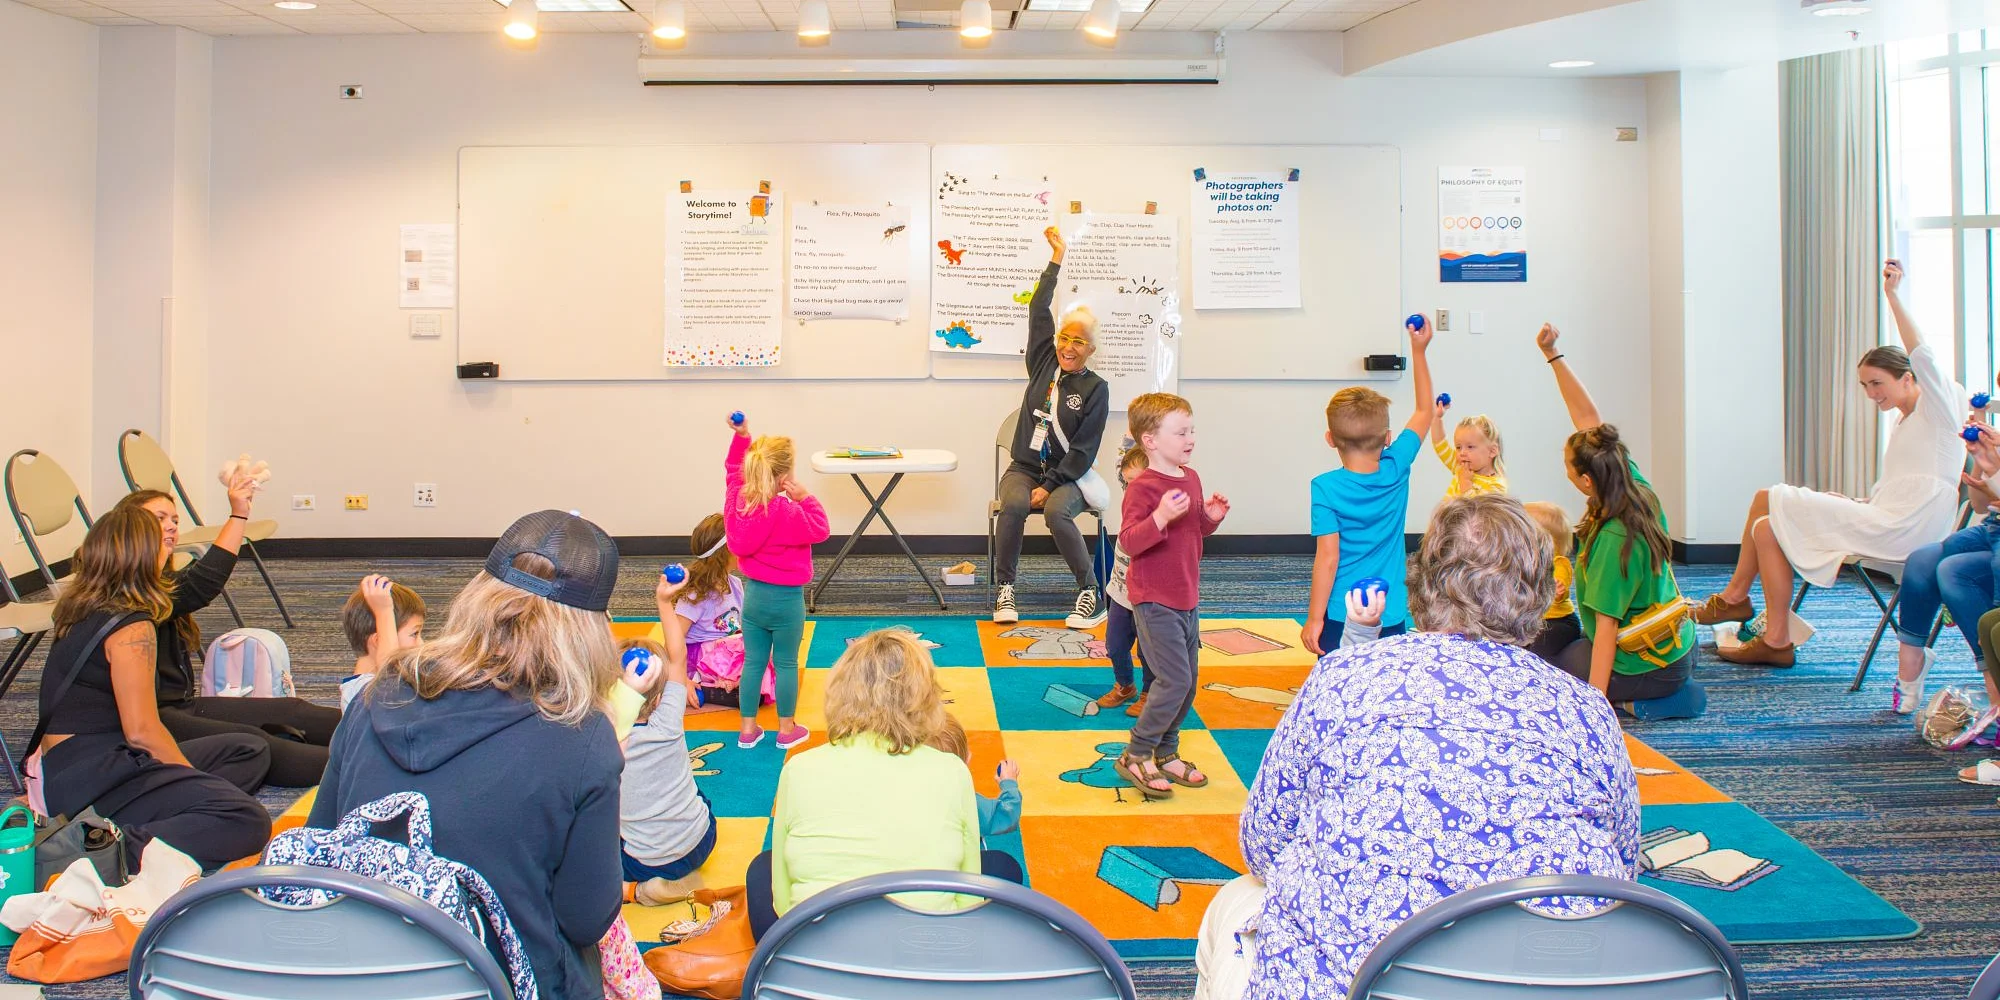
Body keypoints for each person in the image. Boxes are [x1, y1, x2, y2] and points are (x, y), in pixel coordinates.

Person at [1216, 493, 1640, 1000]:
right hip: (1548, 983)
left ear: (1420, 580)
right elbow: (1623, 867)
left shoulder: (1342, 676)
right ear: (1541, 593)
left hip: (1354, 982)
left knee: (1233, 906)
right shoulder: (1587, 710)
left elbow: (1264, 842)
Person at [311, 510, 625, 1000]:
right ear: (590, 630)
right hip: (499, 981)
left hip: (360, 969)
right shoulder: (582, 735)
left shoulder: (375, 696)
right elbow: (585, 918)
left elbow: (322, 842)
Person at [1695, 260, 1964, 668]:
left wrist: (1892, 296)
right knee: (1765, 528)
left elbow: (1921, 352)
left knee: (1768, 496)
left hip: (1908, 530)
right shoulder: (1903, 423)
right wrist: (1856, 503)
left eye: (1878, 383)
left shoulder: (1940, 409)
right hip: (1887, 517)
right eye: (1865, 386)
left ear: (1909, 378)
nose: (1871, 393)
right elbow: (1897, 487)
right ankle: (1776, 639)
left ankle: (1735, 599)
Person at [33, 505, 273, 871]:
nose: (170, 543)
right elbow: (142, 731)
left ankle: (160, 815)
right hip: (94, 775)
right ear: (143, 556)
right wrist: (188, 777)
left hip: (78, 764)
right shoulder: (132, 627)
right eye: (161, 540)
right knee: (247, 819)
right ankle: (100, 851)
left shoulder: (83, 606)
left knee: (248, 749)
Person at [743, 629, 985, 939]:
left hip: (817, 955)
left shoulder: (798, 768)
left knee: (762, 868)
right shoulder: (952, 770)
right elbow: (968, 900)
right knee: (1001, 867)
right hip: (925, 955)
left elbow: (783, 901)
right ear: (925, 697)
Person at [115, 487, 340, 787]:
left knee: (292, 711)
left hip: (180, 706)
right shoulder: (130, 594)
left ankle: (391, 737)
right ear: (129, 529)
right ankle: (364, 769)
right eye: (159, 518)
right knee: (256, 742)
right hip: (152, 720)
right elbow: (204, 581)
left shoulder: (158, 583)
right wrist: (238, 514)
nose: (171, 526)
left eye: (174, 520)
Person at [1536, 324, 1696, 704]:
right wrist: (1552, 354)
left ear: (1587, 481)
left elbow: (1606, 631)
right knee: (1564, 643)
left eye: (1567, 464)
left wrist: (1596, 705)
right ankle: (1667, 687)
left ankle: (1653, 700)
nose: (1565, 467)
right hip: (1673, 645)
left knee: (1544, 669)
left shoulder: (1614, 539)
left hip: (1646, 664)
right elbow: (1587, 417)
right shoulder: (1629, 482)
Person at [993, 226, 1113, 630]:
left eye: (1079, 342)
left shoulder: (1096, 389)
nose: (1068, 347)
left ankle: (1090, 592)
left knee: (1057, 511)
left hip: (1068, 476)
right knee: (1012, 504)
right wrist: (1056, 259)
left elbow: (1084, 450)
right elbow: (1038, 307)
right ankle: (1005, 588)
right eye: (1065, 337)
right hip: (1024, 468)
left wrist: (1051, 484)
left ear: (1090, 350)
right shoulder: (1043, 362)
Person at [1116, 392, 1228, 800]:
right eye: (1181, 432)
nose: (1190, 438)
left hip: (1186, 594)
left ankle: (1166, 751)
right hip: (1154, 598)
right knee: (1174, 679)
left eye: (1191, 430)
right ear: (1150, 440)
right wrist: (1160, 516)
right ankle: (1137, 752)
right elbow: (1129, 541)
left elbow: (1193, 530)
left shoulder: (1190, 477)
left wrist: (1209, 519)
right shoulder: (1142, 487)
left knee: (1189, 682)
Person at [1302, 316, 1437, 655]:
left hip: (1341, 611)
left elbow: (1328, 558)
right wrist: (1419, 351)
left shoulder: (1325, 488)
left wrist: (1314, 619)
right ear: (1388, 437)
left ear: (1330, 439)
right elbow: (1424, 411)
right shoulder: (1396, 466)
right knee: (1387, 677)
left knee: (1340, 678)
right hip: (1389, 608)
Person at [1887, 394, 2000, 713]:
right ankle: (1912, 663)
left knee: (1954, 572)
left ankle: (1993, 681)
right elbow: (1980, 505)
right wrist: (1984, 463)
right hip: (1994, 525)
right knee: (1924, 560)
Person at [724, 414, 829, 750]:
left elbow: (732, 470)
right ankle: (786, 730)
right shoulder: (787, 512)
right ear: (784, 477)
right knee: (785, 664)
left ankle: (748, 730)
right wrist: (805, 498)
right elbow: (821, 529)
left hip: (753, 599)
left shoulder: (737, 498)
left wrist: (741, 437)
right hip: (786, 602)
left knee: (753, 663)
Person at [616, 600, 717, 906]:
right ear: (660, 697)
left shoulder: (602, 740)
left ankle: (632, 891)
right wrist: (663, 600)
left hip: (645, 864)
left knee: (578, 844)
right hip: (701, 841)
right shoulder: (669, 719)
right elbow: (678, 654)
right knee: (695, 793)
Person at [670, 513, 757, 710]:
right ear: (726, 552)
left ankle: (729, 685)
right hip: (703, 660)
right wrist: (681, 679)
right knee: (754, 688)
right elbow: (673, 640)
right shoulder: (696, 593)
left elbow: (742, 628)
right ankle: (701, 686)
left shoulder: (735, 584)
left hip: (729, 653)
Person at [925, 714, 1025, 883]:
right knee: (1007, 867)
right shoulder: (967, 803)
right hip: (952, 878)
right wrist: (1009, 784)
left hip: (904, 878)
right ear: (967, 760)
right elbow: (1008, 814)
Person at [1096, 441, 1152, 717]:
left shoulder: (1159, 508)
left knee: (1149, 650)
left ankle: (1150, 693)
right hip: (1120, 592)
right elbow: (1123, 460)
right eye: (1128, 483)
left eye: (1137, 483)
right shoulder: (1131, 496)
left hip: (1148, 597)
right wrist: (1132, 433)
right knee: (1115, 644)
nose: (1131, 490)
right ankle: (1125, 684)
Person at [337, 574, 424, 711]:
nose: (421, 644)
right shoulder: (360, 692)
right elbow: (389, 683)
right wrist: (384, 612)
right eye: (415, 634)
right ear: (379, 640)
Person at [1522, 500, 1583, 663]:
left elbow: (1559, 586)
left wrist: (1557, 591)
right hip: (1535, 621)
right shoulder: (1526, 563)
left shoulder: (1558, 564)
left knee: (1537, 649)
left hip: (1559, 622)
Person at [1429, 396, 1508, 497]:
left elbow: (1477, 507)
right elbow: (1440, 444)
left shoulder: (1497, 486)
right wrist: (1437, 418)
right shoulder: (1460, 467)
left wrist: (1465, 484)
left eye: (1470, 447)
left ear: (1492, 451)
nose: (1462, 453)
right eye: (1458, 447)